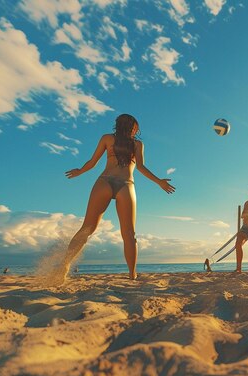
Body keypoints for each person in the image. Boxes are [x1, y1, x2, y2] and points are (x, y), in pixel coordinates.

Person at [62, 114, 175, 279]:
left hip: (104, 182)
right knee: (129, 234)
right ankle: (132, 274)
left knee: (87, 228)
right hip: (126, 185)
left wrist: (80, 171)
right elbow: (141, 167)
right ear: (133, 128)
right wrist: (159, 182)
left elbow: (92, 162)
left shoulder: (107, 138)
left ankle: (64, 265)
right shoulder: (137, 144)